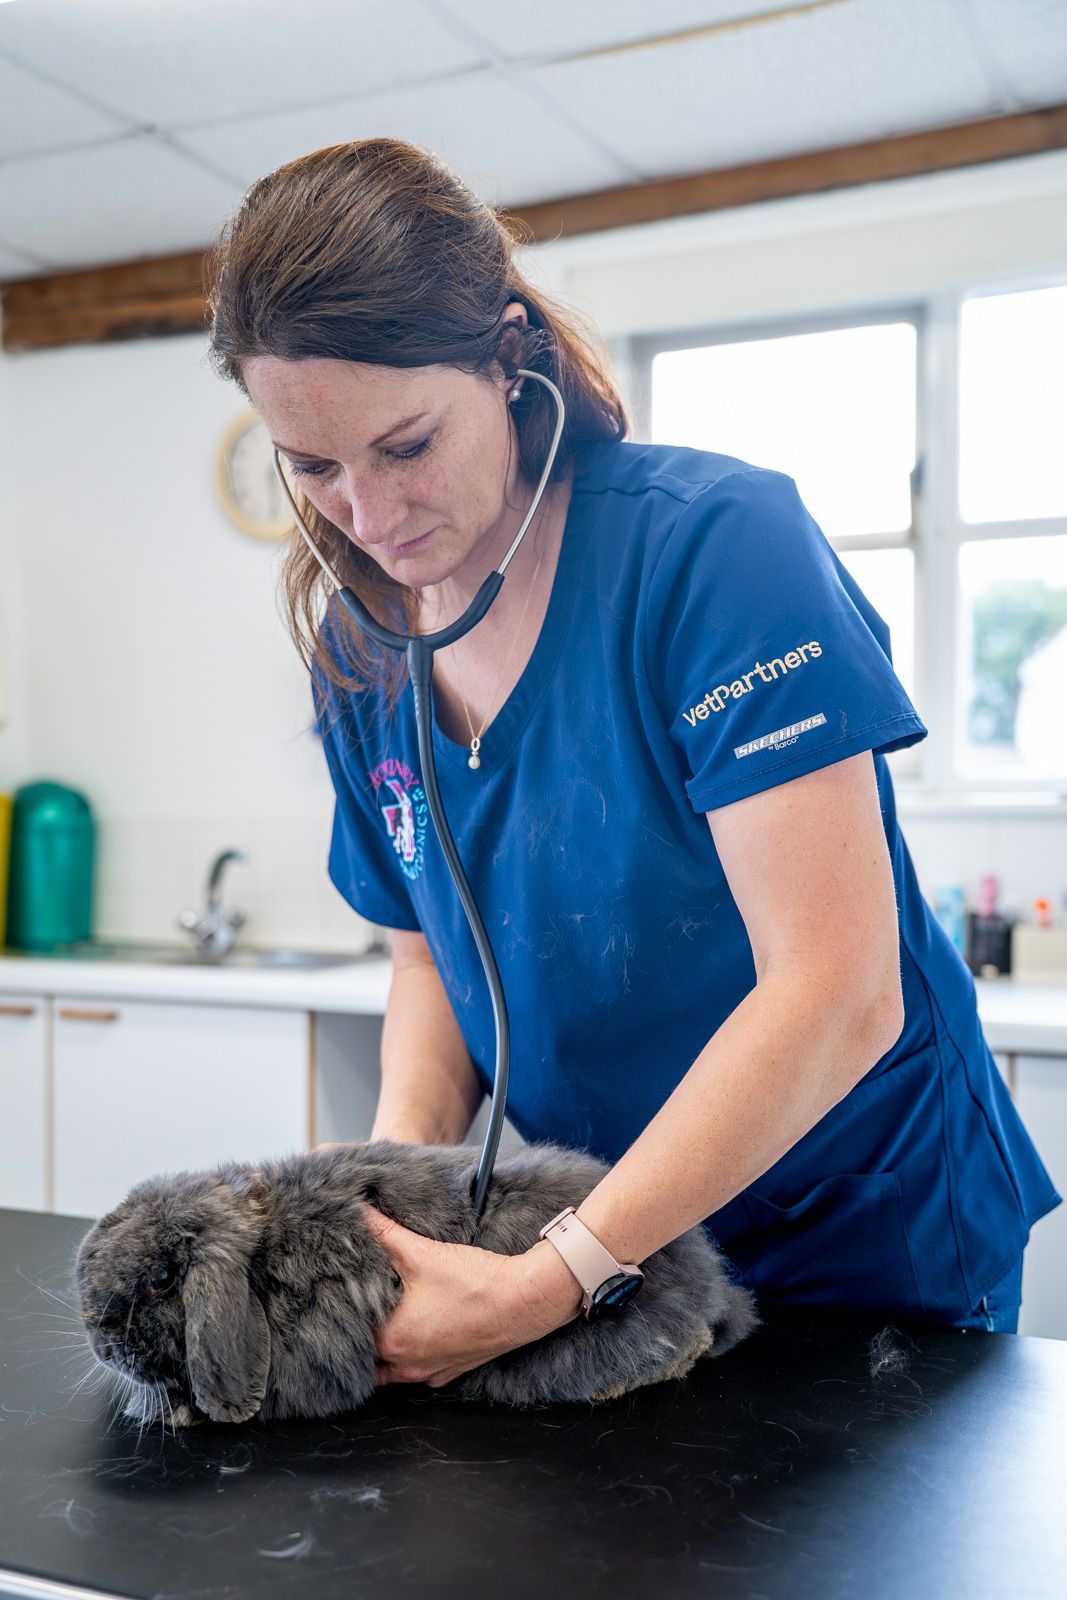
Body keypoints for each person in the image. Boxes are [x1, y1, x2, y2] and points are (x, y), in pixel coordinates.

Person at [208, 138, 1058, 1388]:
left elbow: (836, 988)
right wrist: (393, 1206)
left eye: (405, 445)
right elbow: (427, 966)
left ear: (506, 361)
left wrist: (552, 1276)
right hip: (595, 1247)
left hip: (855, 1245)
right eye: (313, 466)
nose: (373, 518)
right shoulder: (362, 645)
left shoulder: (714, 551)